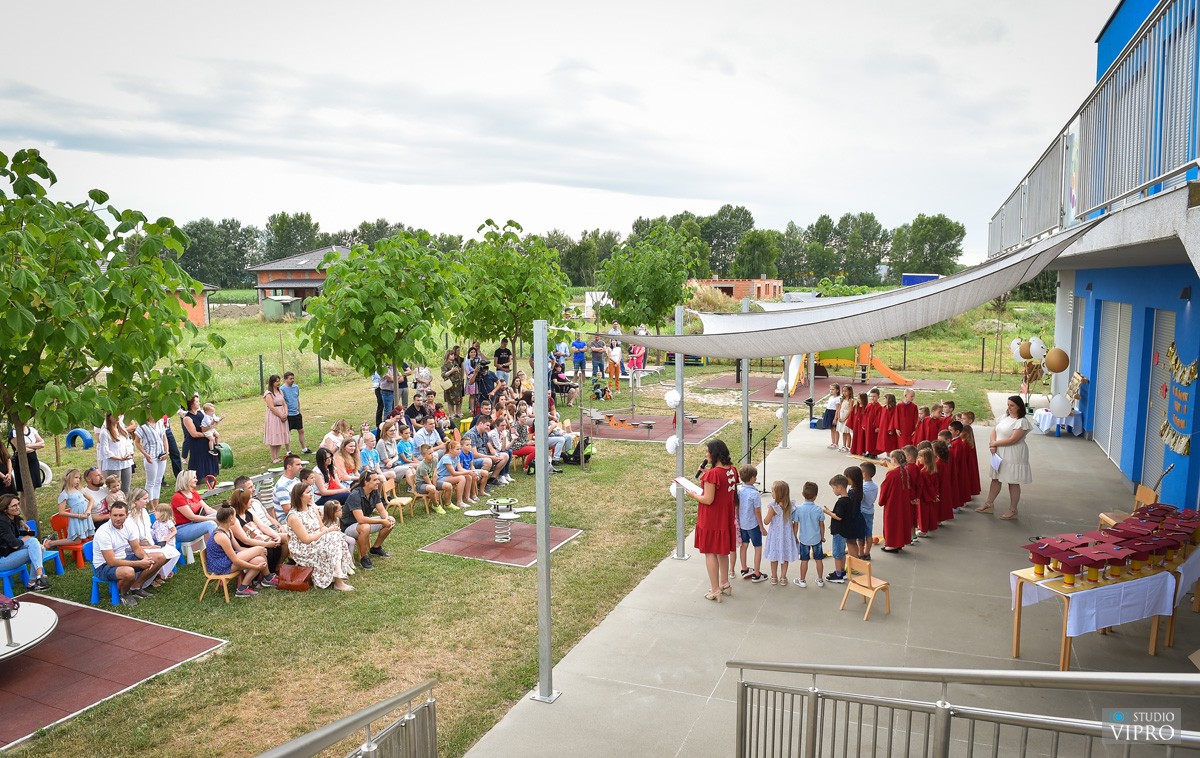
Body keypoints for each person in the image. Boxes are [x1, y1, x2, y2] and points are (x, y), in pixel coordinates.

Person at [684, 439, 739, 603]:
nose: (706, 454)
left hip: (712, 519)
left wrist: (692, 494)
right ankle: (725, 583)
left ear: (714, 453)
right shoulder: (732, 470)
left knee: (710, 553)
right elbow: (721, 485)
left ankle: (715, 590)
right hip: (725, 518)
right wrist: (706, 473)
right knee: (722, 552)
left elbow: (708, 499)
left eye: (707, 451)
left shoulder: (712, 475)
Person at [93, 502, 167, 606]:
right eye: (115, 515)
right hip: (103, 566)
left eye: (121, 515)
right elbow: (111, 562)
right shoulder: (103, 532)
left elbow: (137, 548)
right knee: (129, 571)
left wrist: (146, 558)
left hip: (123, 558)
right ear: (110, 515)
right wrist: (139, 564)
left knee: (160, 557)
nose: (117, 518)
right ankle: (124, 594)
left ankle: (135, 587)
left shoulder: (128, 526)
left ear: (127, 515)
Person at [285, 482, 355, 591]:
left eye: (311, 492)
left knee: (335, 536)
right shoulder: (294, 516)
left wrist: (329, 531)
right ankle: (338, 578)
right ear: (299, 496)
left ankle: (337, 574)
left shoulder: (312, 508)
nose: (311, 495)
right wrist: (327, 532)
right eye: (308, 492)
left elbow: (322, 527)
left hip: (318, 539)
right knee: (334, 538)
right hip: (304, 548)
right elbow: (306, 540)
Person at [982, 395, 1032, 520]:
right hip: (999, 452)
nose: (1009, 407)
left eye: (1012, 405)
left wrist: (995, 444)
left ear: (1019, 407)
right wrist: (993, 444)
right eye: (1008, 405)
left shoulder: (1021, 422)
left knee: (1012, 481)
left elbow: (1013, 439)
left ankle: (1013, 509)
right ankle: (989, 503)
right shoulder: (1004, 417)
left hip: (1013, 454)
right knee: (995, 478)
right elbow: (994, 431)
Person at [206, 505, 270, 598]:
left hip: (228, 559)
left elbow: (239, 548)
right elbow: (235, 560)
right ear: (231, 518)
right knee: (259, 549)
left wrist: (254, 552)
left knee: (260, 559)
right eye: (235, 516)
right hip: (221, 565)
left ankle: (242, 588)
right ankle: (267, 577)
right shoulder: (221, 536)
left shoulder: (228, 530)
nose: (236, 518)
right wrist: (255, 566)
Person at [124, 487, 180, 586]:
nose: (148, 501)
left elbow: (148, 530)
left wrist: (153, 542)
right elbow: (131, 542)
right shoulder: (128, 517)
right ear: (135, 500)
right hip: (133, 549)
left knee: (172, 551)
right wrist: (149, 546)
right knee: (160, 556)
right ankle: (137, 584)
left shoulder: (143, 511)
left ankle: (153, 576)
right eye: (144, 499)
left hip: (146, 544)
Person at [341, 471, 395, 570]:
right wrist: (382, 521)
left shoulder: (374, 492)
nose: (378, 482)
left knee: (391, 520)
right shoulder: (355, 495)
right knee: (365, 527)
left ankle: (376, 548)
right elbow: (360, 519)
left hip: (363, 523)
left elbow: (382, 510)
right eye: (375, 480)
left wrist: (387, 518)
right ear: (366, 482)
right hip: (348, 528)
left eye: (378, 479)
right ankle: (364, 557)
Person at [228, 487, 283, 580]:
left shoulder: (248, 512)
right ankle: (262, 577)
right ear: (242, 502)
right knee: (267, 550)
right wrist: (266, 544)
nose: (252, 501)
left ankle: (271, 572)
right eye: (249, 499)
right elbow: (245, 540)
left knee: (277, 546)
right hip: (245, 545)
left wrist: (276, 536)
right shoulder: (235, 519)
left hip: (256, 539)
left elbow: (263, 526)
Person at [0, 494, 51, 591]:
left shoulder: (11, 516)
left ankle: (33, 582)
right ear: (5, 509)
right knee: (35, 545)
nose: (17, 507)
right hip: (2, 561)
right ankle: (38, 578)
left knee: (39, 547)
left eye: (18, 504)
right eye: (14, 506)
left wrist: (22, 522)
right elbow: (15, 545)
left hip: (9, 553)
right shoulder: (2, 523)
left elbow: (17, 517)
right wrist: (26, 537)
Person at [822, 473, 864, 583]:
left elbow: (839, 517)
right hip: (845, 531)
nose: (833, 490)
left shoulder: (841, 502)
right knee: (841, 552)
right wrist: (832, 511)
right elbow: (842, 514)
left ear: (840, 487)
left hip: (839, 531)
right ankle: (842, 571)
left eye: (833, 488)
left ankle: (838, 574)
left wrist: (828, 513)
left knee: (837, 553)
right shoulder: (848, 499)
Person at [762, 480, 799, 587]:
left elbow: (766, 521)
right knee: (785, 557)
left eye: (773, 491)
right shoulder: (790, 506)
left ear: (778, 493)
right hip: (787, 537)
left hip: (775, 537)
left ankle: (774, 577)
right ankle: (783, 577)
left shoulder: (773, 507)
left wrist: (765, 517)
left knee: (774, 558)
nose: (771, 492)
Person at [879, 450, 916, 554]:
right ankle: (899, 542)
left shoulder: (892, 473)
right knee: (901, 522)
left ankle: (891, 545)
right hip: (903, 502)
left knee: (892, 523)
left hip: (893, 503)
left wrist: (881, 501)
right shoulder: (905, 471)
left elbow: (885, 488)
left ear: (894, 459)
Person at [791, 482, 826, 588]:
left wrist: (795, 537)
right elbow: (822, 525)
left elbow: (795, 525)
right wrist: (822, 536)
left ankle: (802, 580)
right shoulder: (818, 509)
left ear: (803, 494)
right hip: (816, 539)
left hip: (804, 539)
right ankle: (820, 579)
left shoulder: (798, 509)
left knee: (804, 560)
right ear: (815, 496)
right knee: (818, 559)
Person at [170, 470, 218, 545]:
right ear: (186, 480)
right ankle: (217, 550)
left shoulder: (194, 493)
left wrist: (222, 515)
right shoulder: (177, 497)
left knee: (227, 516)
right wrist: (215, 519)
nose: (196, 480)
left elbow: (208, 509)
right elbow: (192, 517)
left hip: (194, 524)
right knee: (211, 524)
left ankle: (235, 542)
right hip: (182, 529)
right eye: (194, 478)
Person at [735, 465, 765, 582]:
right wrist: (761, 527)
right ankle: (757, 573)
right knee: (758, 547)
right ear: (752, 478)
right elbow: (757, 511)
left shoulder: (740, 491)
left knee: (744, 545)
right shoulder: (755, 494)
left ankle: (744, 568)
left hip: (742, 524)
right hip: (753, 524)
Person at [181, 395, 220, 484]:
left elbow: (208, 425)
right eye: (197, 402)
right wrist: (207, 434)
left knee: (209, 464)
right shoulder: (187, 418)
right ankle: (196, 490)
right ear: (191, 404)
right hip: (197, 446)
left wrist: (213, 427)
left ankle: (212, 488)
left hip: (206, 443)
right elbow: (194, 434)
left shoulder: (201, 413)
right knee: (198, 468)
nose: (199, 403)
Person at [133, 411, 169, 506]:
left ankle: (156, 505)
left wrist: (167, 452)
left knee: (158, 480)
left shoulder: (160, 422)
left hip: (161, 454)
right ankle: (151, 506)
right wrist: (145, 454)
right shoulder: (142, 426)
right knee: (151, 482)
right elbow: (137, 442)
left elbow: (164, 438)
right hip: (151, 455)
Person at [97, 413, 135, 497]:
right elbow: (105, 451)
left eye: (118, 415)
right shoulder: (105, 432)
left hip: (126, 462)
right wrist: (119, 458)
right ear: (109, 417)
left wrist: (130, 454)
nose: (117, 417)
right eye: (115, 415)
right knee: (114, 489)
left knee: (126, 489)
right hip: (113, 464)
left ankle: (126, 507)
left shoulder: (122, 430)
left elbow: (128, 443)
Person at [57, 468, 96, 540]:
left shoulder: (80, 489)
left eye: (79, 478)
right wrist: (78, 515)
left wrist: (88, 510)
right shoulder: (65, 494)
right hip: (77, 519)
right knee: (77, 540)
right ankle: (51, 543)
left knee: (89, 537)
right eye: (76, 477)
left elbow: (91, 499)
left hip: (86, 517)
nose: (78, 480)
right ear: (68, 478)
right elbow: (61, 512)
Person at [280, 372, 313, 454]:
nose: (292, 380)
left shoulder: (296, 387)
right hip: (289, 415)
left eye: (293, 378)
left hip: (297, 414)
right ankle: (288, 451)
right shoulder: (282, 389)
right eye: (290, 379)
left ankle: (304, 449)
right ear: (285, 379)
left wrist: (299, 410)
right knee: (287, 432)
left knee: (301, 430)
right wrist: (285, 413)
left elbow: (297, 399)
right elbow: (282, 403)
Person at [415, 443, 452, 513]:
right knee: (432, 489)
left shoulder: (434, 460)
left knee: (448, 486)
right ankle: (435, 505)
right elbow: (427, 480)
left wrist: (434, 486)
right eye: (429, 453)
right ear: (423, 456)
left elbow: (435, 475)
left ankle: (448, 503)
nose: (432, 454)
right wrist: (434, 489)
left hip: (431, 481)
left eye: (432, 452)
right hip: (421, 485)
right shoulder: (422, 466)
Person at [9, 423, 45, 493]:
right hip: (21, 461)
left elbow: (42, 443)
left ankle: (31, 503)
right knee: (23, 490)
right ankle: (24, 504)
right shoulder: (14, 433)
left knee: (33, 486)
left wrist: (29, 445)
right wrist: (35, 447)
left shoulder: (32, 430)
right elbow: (21, 449)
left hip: (33, 460)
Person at [263, 374, 289, 464]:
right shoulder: (268, 394)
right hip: (274, 416)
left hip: (282, 413)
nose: (278, 383)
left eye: (279, 381)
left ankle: (277, 456)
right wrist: (280, 415)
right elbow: (271, 407)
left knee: (280, 435)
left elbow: (284, 403)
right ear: (272, 382)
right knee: (274, 435)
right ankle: (273, 457)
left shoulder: (280, 391)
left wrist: (286, 413)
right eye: (277, 381)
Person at [437, 439, 469, 510]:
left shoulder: (457, 456)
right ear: (450, 450)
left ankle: (467, 497)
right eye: (457, 449)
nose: (459, 451)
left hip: (448, 476)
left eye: (460, 449)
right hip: (440, 478)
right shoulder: (446, 458)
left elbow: (460, 469)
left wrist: (470, 472)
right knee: (462, 478)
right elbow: (453, 473)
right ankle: (459, 501)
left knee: (468, 476)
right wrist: (467, 472)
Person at [272, 454, 303, 522]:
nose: (301, 467)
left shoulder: (296, 480)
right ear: (289, 467)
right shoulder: (282, 487)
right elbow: (288, 511)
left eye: (300, 464)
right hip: (288, 519)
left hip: (301, 512)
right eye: (298, 464)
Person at [858, 461, 879, 560]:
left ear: (864, 474)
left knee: (861, 535)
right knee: (869, 533)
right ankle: (867, 553)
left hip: (862, 512)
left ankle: (861, 553)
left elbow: (860, 499)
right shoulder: (875, 486)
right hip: (870, 511)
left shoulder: (863, 487)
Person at [442, 346, 465, 418]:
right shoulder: (445, 364)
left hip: (458, 384)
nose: (453, 356)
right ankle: (451, 413)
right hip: (450, 384)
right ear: (448, 356)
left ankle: (458, 412)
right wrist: (451, 371)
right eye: (451, 355)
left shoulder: (455, 363)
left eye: (453, 355)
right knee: (450, 399)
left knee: (459, 398)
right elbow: (443, 375)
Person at [875, 394, 900, 458]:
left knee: (890, 443)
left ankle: (891, 457)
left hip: (889, 428)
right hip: (883, 427)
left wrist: (891, 429)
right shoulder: (883, 408)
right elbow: (879, 418)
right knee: (885, 442)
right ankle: (888, 456)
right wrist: (878, 426)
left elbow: (893, 419)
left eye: (885, 399)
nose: (884, 400)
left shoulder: (894, 409)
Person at [835, 384, 854, 452]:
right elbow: (839, 408)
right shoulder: (842, 399)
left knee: (847, 432)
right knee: (843, 432)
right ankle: (844, 445)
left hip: (846, 417)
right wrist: (839, 417)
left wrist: (844, 418)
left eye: (846, 391)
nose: (844, 392)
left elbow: (850, 410)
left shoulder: (851, 400)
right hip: (841, 414)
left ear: (850, 392)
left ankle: (848, 446)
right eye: (843, 391)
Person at [823, 383, 841, 449]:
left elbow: (837, 409)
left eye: (833, 389)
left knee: (835, 429)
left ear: (837, 390)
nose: (831, 391)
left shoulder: (838, 399)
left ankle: (836, 443)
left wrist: (835, 418)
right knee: (831, 429)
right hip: (829, 412)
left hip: (833, 413)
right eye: (830, 389)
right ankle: (833, 442)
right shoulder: (831, 397)